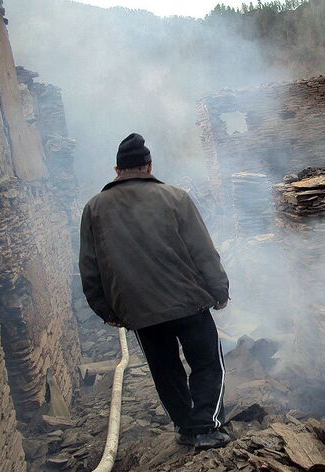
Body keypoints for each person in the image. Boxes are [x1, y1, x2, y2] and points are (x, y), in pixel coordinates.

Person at [79, 133, 231, 449]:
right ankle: (207, 426)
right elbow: (203, 251)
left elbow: (90, 269)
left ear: (117, 169)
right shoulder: (176, 198)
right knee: (206, 363)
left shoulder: (93, 209)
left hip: (139, 311)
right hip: (189, 302)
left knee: (166, 371)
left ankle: (187, 428)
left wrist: (108, 311)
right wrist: (220, 291)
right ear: (149, 166)